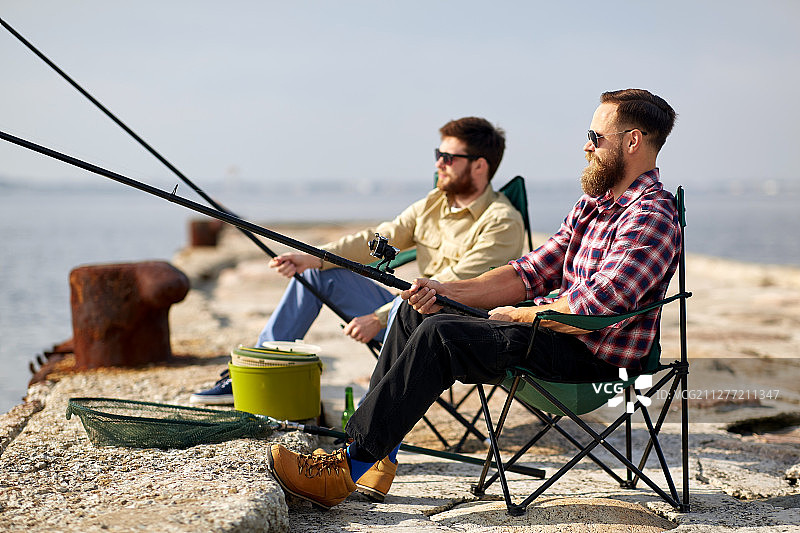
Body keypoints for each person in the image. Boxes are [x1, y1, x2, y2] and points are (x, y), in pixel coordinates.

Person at [266, 88, 681, 510]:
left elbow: (596, 307)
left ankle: (343, 468)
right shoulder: (594, 205)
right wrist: (445, 292)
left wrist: (519, 317)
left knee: (441, 335)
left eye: (596, 137)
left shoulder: (652, 215)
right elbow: (530, 271)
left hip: (593, 359)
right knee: (416, 313)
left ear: (632, 141)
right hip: (551, 334)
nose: (586, 146)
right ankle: (373, 457)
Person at [190, 116, 525, 406]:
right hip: (410, 310)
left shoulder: (502, 221)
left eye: (449, 157)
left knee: (418, 301)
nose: (438, 164)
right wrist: (314, 258)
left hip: (456, 326)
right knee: (319, 276)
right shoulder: (432, 204)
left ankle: (365, 429)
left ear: (479, 165)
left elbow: (453, 286)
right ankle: (258, 369)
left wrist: (379, 319)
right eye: (438, 155)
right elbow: (379, 240)